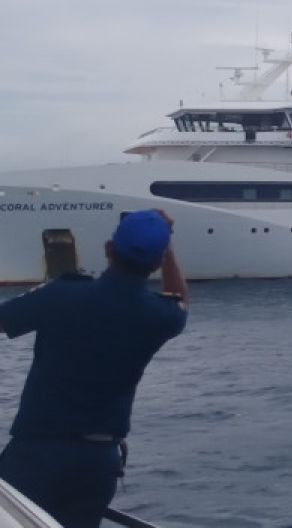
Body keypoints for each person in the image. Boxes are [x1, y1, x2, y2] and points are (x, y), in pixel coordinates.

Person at [0, 209, 188, 528]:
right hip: (98, 463)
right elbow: (180, 298)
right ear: (157, 262)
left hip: (37, 454)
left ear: (109, 249)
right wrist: (167, 246)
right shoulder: (162, 317)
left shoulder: (62, 295)